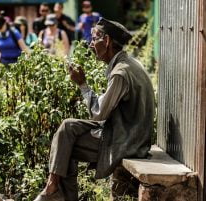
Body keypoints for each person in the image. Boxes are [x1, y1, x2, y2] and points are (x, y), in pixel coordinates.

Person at [34, 18, 155, 201]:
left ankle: (54, 190)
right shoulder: (130, 63)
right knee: (68, 128)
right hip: (129, 135)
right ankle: (54, 188)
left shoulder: (120, 73)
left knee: (67, 142)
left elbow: (99, 114)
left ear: (106, 41)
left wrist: (82, 84)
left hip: (127, 142)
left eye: (94, 39)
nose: (91, 45)